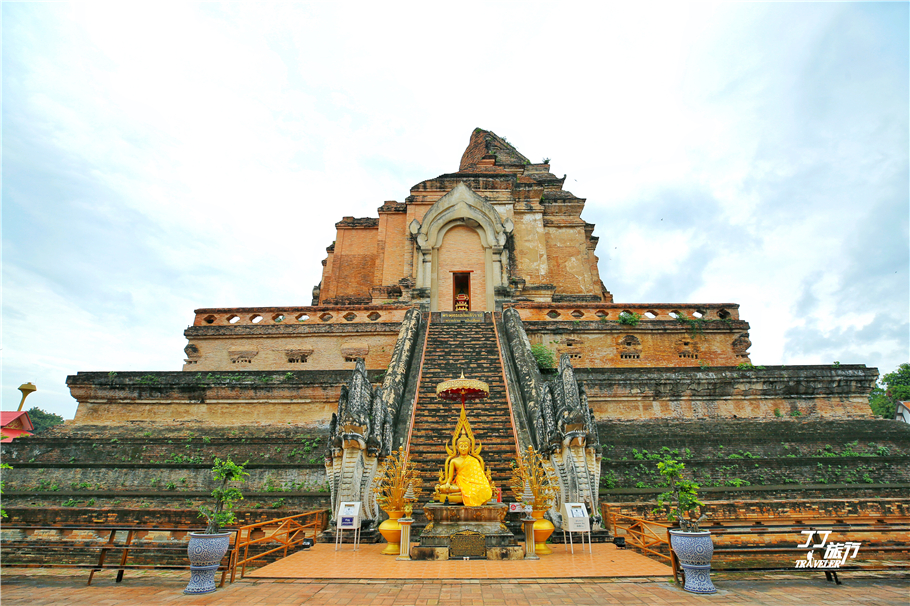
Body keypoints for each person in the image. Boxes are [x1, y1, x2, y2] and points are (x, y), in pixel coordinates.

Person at [435, 435, 492, 506]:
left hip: (473, 484)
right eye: (461, 446)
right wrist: (447, 483)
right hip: (460, 484)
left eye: (465, 446)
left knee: (484, 488)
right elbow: (450, 477)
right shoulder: (454, 461)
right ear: (457, 447)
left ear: (470, 447)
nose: (463, 448)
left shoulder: (474, 460)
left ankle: (468, 495)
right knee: (442, 488)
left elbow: (479, 477)